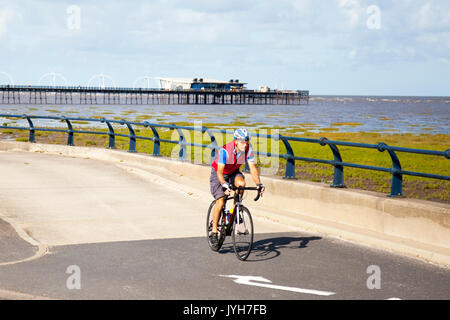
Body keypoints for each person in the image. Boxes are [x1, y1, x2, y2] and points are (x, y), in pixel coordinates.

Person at [209, 128, 265, 249]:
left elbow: (253, 168)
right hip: (219, 174)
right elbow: (219, 172)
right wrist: (224, 183)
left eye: (247, 141)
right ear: (235, 141)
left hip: (233, 172)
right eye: (242, 142)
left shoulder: (248, 150)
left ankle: (234, 211)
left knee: (241, 184)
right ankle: (214, 231)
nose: (245, 144)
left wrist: (259, 184)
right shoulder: (225, 151)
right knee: (221, 201)